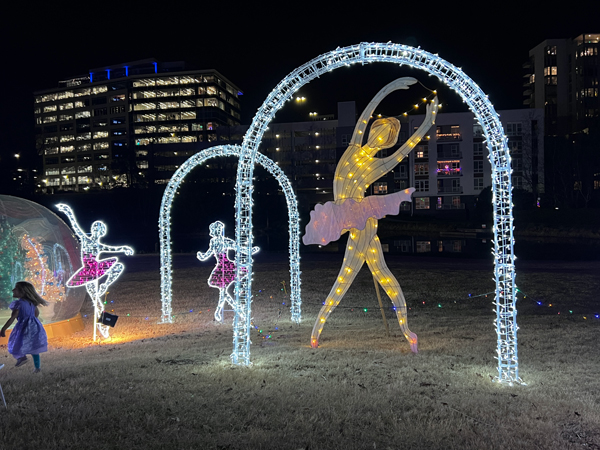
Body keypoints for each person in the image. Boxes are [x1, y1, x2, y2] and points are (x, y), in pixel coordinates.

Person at [304, 78, 438, 352]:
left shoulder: (379, 164)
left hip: (363, 219)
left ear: (387, 142)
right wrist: (389, 88)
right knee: (370, 273)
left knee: (356, 275)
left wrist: (427, 122)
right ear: (373, 130)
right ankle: (319, 331)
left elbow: (407, 149)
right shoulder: (353, 149)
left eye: (387, 137)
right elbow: (364, 116)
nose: (381, 138)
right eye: (380, 131)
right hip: (340, 214)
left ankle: (405, 332)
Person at [197, 221, 259, 322]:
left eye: (219, 230)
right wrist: (202, 256)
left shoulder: (226, 241)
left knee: (223, 293)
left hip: (227, 267)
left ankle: (229, 312)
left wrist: (250, 251)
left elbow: (238, 248)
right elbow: (208, 253)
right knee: (223, 293)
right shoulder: (214, 242)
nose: (219, 232)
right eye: (217, 230)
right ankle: (239, 313)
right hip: (221, 268)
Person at [0, 281, 49, 373]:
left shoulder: (19, 304)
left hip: (23, 326)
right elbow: (36, 314)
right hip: (34, 326)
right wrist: (32, 321)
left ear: (23, 291)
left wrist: (3, 329)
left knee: (15, 342)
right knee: (34, 347)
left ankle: (22, 357)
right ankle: (37, 368)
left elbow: (13, 317)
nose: (13, 290)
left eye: (16, 289)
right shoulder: (32, 303)